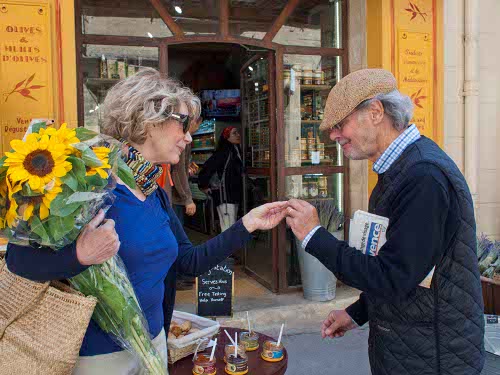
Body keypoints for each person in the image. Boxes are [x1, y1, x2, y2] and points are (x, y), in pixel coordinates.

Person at [5, 68, 288, 374]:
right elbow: (19, 261)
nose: (189, 137)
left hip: (153, 344)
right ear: (149, 120)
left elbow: (187, 262)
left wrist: (247, 224)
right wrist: (79, 256)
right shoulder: (89, 187)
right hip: (99, 358)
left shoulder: (154, 193)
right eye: (183, 125)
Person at [286, 69, 485, 375]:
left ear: (376, 112)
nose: (333, 136)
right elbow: (404, 268)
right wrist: (358, 313)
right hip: (410, 344)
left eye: (340, 124)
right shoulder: (403, 169)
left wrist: (315, 235)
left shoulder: (423, 177)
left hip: (432, 355)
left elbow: (393, 277)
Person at [198, 126, 243, 232]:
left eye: (237, 133)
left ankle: (228, 248)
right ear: (227, 137)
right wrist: (203, 185)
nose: (238, 135)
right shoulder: (224, 152)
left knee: (230, 227)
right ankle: (226, 248)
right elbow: (207, 169)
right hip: (225, 196)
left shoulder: (235, 151)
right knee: (228, 228)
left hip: (232, 196)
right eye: (234, 133)